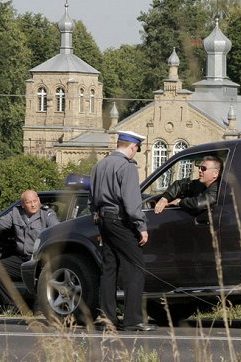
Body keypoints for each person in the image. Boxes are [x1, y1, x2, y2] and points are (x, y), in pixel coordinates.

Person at [89, 130, 157, 332]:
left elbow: (91, 199)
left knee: (109, 269)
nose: (136, 152)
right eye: (137, 149)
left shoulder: (100, 165)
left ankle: (108, 318)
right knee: (136, 267)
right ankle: (132, 319)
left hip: (103, 220)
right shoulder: (127, 167)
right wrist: (141, 226)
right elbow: (131, 201)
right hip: (120, 220)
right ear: (132, 147)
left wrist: (99, 222)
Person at [0, 189, 59, 305]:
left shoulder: (47, 214)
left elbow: (57, 229)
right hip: (23, 259)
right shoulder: (16, 213)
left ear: (39, 200)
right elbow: (0, 223)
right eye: (29, 202)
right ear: (22, 204)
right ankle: (13, 305)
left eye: (35, 201)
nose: (33, 204)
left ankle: (41, 306)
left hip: (40, 260)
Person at [154, 155, 222, 217]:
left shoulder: (219, 188)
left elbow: (198, 204)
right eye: (199, 168)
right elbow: (181, 185)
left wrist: (179, 202)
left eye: (203, 168)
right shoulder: (200, 184)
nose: (199, 170)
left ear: (215, 173)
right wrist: (165, 198)